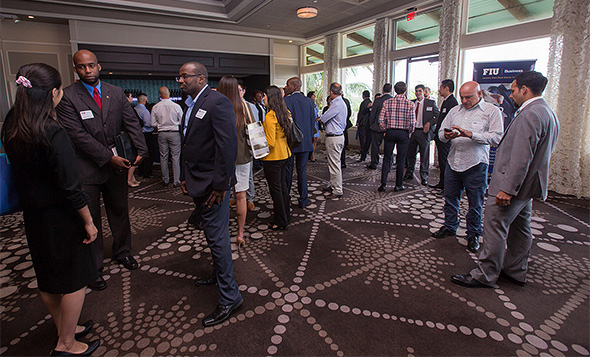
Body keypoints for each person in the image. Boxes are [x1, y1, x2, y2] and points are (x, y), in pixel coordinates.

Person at [1, 63, 101, 356]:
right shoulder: (51, 130)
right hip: (61, 215)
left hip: (33, 214)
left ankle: (64, 328)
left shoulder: (12, 124)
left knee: (47, 275)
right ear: (55, 93)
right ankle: (67, 343)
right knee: (74, 281)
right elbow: (71, 185)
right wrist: (89, 221)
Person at [451, 71, 559, 288]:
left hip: (512, 185)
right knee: (520, 229)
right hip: (528, 185)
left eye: (513, 90)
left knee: (494, 227)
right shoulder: (547, 111)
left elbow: (521, 156)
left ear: (524, 90)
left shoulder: (530, 114)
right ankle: (515, 270)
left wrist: (507, 189)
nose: (510, 95)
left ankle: (484, 274)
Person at [57, 50, 147, 291]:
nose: (87, 71)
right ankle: (93, 267)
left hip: (117, 166)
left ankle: (123, 251)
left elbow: (131, 122)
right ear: (75, 69)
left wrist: (141, 148)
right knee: (91, 219)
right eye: (82, 67)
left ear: (99, 66)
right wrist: (109, 158)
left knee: (119, 211)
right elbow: (77, 136)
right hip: (87, 168)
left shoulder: (115, 92)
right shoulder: (67, 97)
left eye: (91, 66)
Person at [177, 61, 243, 326]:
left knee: (217, 238)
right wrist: (184, 176)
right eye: (179, 77)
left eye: (184, 77)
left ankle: (231, 297)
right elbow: (189, 142)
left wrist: (221, 185)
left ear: (201, 78)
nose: (180, 81)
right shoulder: (192, 103)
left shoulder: (217, 102)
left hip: (213, 185)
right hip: (197, 179)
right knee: (212, 234)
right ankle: (219, 274)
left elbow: (227, 147)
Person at [432, 81, 503, 253]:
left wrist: (470, 134)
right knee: (450, 198)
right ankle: (450, 226)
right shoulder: (454, 110)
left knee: (475, 203)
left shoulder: (491, 111)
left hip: (476, 164)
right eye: (462, 97)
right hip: (454, 161)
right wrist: (446, 135)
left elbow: (497, 138)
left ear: (479, 94)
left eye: (468, 97)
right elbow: (440, 134)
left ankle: (473, 234)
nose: (464, 101)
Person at [218, 76, 255, 248]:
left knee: (222, 195)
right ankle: (240, 234)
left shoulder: (217, 106)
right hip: (242, 157)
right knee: (241, 196)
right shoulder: (246, 107)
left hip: (221, 158)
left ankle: (222, 232)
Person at [261, 85, 292, 229]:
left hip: (273, 158)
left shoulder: (269, 116)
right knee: (283, 187)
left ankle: (280, 221)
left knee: (276, 190)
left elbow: (270, 143)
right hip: (285, 154)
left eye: (264, 97)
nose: (263, 99)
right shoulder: (285, 112)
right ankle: (286, 215)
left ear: (271, 98)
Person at [377, 81, 416, 192]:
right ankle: (398, 185)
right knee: (401, 159)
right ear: (405, 90)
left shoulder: (387, 102)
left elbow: (381, 119)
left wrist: (384, 129)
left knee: (387, 158)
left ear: (395, 90)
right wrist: (410, 132)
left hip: (390, 132)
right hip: (403, 133)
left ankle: (383, 184)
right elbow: (412, 122)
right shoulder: (410, 104)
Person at [284, 77, 316, 209]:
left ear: (294, 87)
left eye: (288, 85)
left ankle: (286, 198)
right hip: (305, 142)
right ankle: (303, 199)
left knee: (288, 171)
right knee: (302, 171)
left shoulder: (285, 100)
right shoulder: (309, 102)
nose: (286, 87)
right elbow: (312, 121)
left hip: (290, 142)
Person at [404, 84, 439, 186]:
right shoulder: (411, 103)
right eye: (416, 91)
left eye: (420, 91)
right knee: (410, 154)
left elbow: (437, 115)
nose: (418, 93)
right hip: (413, 132)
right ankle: (409, 172)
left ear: (424, 92)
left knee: (424, 155)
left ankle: (424, 176)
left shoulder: (431, 103)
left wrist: (429, 123)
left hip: (424, 133)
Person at [319, 82, 348, 199]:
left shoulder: (336, 104)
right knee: (334, 163)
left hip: (334, 138)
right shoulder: (341, 102)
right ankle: (333, 185)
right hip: (338, 136)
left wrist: (321, 118)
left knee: (335, 164)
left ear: (331, 92)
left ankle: (337, 190)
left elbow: (324, 118)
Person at [151, 86, 183, 187]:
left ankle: (165, 179)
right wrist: (175, 123)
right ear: (169, 93)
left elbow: (152, 123)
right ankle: (176, 180)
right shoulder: (176, 106)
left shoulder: (155, 107)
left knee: (163, 156)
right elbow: (182, 121)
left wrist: (160, 125)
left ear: (160, 95)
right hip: (174, 133)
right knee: (175, 157)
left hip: (162, 133)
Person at [430, 79, 459, 190]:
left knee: (445, 162)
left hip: (446, 138)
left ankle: (447, 186)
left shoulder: (452, 102)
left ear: (447, 88)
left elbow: (450, 121)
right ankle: (442, 183)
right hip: (441, 136)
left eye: (441, 87)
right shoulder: (446, 101)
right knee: (442, 162)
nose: (439, 90)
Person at [237, 80, 258, 212]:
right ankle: (237, 197)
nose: (237, 93)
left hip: (247, 146)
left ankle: (250, 198)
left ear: (244, 91)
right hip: (235, 147)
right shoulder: (229, 106)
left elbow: (255, 126)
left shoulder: (250, 107)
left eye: (239, 90)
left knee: (248, 175)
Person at [367, 84, 393, 169]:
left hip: (377, 127)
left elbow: (373, 114)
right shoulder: (393, 100)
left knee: (375, 146)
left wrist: (371, 124)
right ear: (391, 90)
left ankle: (374, 163)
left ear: (383, 90)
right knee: (389, 146)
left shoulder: (378, 100)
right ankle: (389, 163)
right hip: (389, 128)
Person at [135, 93, 155, 179]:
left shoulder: (134, 109)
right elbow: (148, 123)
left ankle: (140, 171)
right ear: (144, 100)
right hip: (147, 134)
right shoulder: (145, 111)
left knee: (140, 153)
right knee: (148, 154)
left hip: (138, 134)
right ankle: (147, 172)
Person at [124, 90, 141, 188]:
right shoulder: (128, 110)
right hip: (130, 136)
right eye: (130, 97)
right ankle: (129, 179)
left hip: (128, 136)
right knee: (132, 158)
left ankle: (131, 178)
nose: (131, 99)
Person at [356, 90, 372, 162]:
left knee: (363, 140)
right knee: (367, 140)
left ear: (363, 96)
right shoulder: (371, 102)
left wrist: (358, 122)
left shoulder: (363, 103)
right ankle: (365, 153)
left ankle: (363, 155)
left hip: (363, 124)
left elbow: (361, 113)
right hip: (369, 124)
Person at [307, 91, 320, 162]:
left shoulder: (314, 105)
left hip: (316, 123)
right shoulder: (308, 104)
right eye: (313, 95)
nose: (315, 97)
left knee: (316, 140)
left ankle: (312, 154)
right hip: (311, 124)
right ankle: (311, 156)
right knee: (313, 140)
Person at [340, 94, 353, 168]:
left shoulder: (336, 103)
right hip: (344, 125)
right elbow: (349, 113)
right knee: (343, 144)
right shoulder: (346, 101)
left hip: (338, 129)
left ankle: (341, 161)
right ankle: (343, 161)